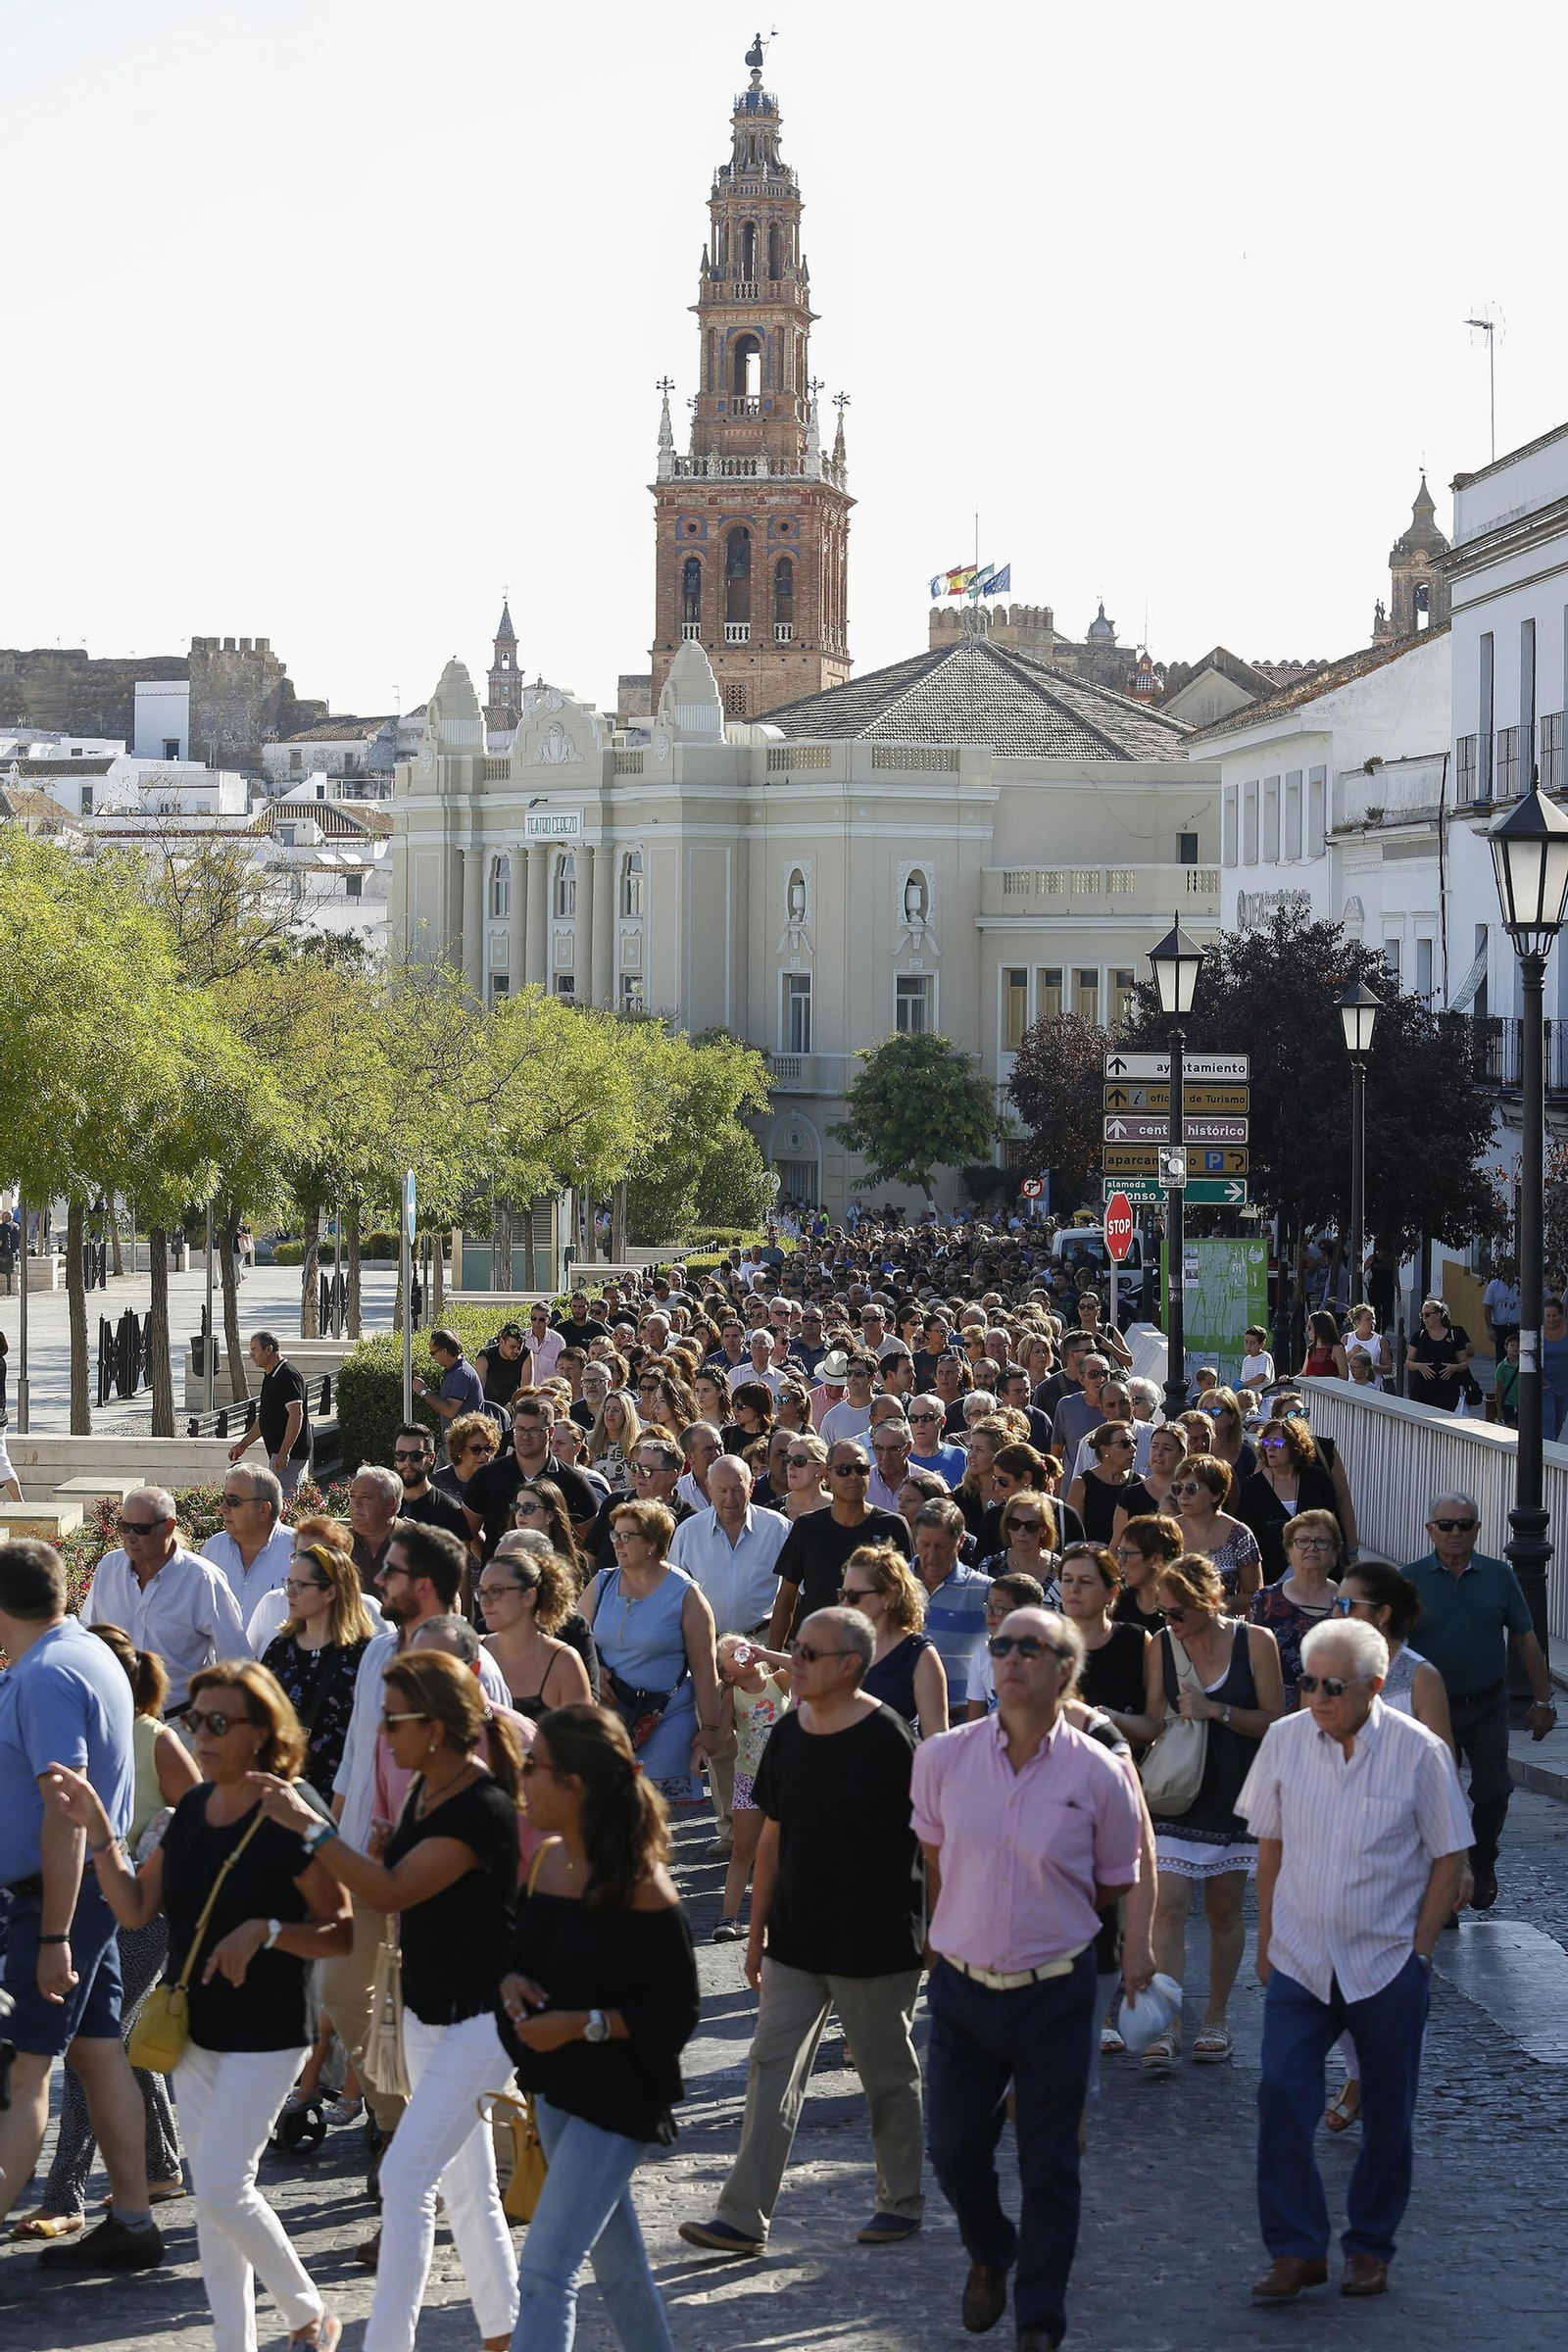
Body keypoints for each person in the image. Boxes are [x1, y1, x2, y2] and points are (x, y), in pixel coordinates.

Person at [47, 1658, 352, 2337]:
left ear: (260, 1731)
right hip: (196, 2028)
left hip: (271, 2030)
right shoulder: (187, 1812)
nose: (202, 1735)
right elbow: (133, 1908)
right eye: (195, 1720)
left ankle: (309, 2314)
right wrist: (100, 1831)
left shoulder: (288, 1806)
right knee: (217, 2210)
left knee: (220, 2187)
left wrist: (269, 1930)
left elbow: (343, 1929)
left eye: (220, 1722)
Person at [251, 1650, 524, 2352]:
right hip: (431, 2014)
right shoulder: (424, 1792)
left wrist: (309, 1828)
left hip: (481, 2024)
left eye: (394, 1721)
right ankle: (506, 2336)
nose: (382, 1736)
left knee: (405, 2179)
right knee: (468, 2192)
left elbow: (390, 1892)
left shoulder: (480, 1803)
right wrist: (375, 1848)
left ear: (434, 1727)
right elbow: (395, 1881)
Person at [913, 1606, 1145, 2351]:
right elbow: (937, 1859)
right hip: (960, 1988)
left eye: (1031, 1648)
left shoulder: (1100, 1771)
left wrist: (1044, 1917)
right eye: (1002, 1646)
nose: (1012, 1659)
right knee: (952, 2154)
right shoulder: (942, 1758)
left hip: (1056, 1992)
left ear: (1063, 1672)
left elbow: (1111, 1882)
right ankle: (989, 2249)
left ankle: (1040, 2325)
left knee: (1050, 2168)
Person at [679, 1605, 926, 2258]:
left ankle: (901, 2201)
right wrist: (754, 1933)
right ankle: (742, 2216)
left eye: (808, 1654)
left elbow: (930, 1839)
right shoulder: (788, 1733)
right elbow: (769, 1840)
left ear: (849, 1666)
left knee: (885, 2073)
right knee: (769, 2068)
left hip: (873, 1942)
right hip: (796, 1936)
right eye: (796, 1649)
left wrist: (935, 1929)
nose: (792, 1661)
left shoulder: (887, 1737)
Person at [1240, 1618, 1473, 2304]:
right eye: (1308, 1682)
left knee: (1389, 2114)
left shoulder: (1419, 1751)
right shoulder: (1284, 1741)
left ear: (1374, 1687)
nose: (1316, 1696)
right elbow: (1270, 1847)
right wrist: (1265, 1942)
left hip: (1385, 1964)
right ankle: (1295, 2249)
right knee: (1281, 2094)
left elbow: (1449, 1851)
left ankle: (1370, 2245)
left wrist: (1419, 1953)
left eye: (1332, 1686)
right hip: (1301, 1959)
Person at [497, 1704, 700, 2349]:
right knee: (618, 2268)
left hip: (617, 2103)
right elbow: (522, 1955)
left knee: (544, 2271)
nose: (521, 1778)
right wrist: (509, 1981)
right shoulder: (546, 1861)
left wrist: (580, 2025)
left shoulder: (643, 1887)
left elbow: (676, 2013)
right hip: (555, 2092)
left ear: (574, 1784)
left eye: (533, 1768)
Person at [0, 1546, 166, 2266]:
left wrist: (54, 1935)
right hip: (84, 1890)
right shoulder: (81, 1650)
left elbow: (65, 1810)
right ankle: (132, 2221)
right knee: (99, 2054)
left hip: (56, 1901)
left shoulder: (45, 1673)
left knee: (23, 2067)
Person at [329, 1523, 514, 2154]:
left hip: (446, 1872)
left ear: (426, 1586)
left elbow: (497, 1767)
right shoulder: (379, 1654)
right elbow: (358, 1760)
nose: (377, 1580)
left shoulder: (473, 1667)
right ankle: (394, 2119)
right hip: (370, 1859)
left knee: (435, 2016)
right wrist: (339, 1840)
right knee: (344, 1991)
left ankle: (466, 2145)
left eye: (392, 1572)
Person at [13, 1623, 200, 2241]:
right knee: (103, 2046)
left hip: (128, 1906)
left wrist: (55, 1933)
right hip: (108, 1897)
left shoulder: (152, 1738)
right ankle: (146, 2186)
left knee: (46, 2060)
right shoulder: (97, 1717)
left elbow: (195, 1818)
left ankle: (69, 2194)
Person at [1323, 1561, 1459, 2133]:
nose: (1337, 1613)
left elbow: (1444, 1765)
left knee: (1392, 1979)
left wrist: (1459, 1859)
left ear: (1380, 1614)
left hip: (1403, 1852)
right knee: (1338, 1973)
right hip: (1337, 1846)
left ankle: (1382, 2087)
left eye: (1348, 1604)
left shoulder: (1419, 1676)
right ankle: (1360, 2072)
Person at [1139, 1551, 1285, 2069]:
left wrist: (1216, 1710)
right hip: (1179, 1793)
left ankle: (1216, 2019)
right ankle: (1168, 2025)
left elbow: (1275, 1720)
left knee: (1224, 1912)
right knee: (1168, 1908)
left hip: (1237, 1793)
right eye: (1164, 1613)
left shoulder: (1256, 1642)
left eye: (1179, 1613)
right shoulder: (1161, 1644)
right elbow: (1155, 1719)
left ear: (1211, 1601)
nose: (1171, 1623)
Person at [1400, 1493, 1556, 1909]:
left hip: (1487, 1702)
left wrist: (1543, 1700)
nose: (1455, 1533)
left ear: (1478, 1529)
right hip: (1433, 1709)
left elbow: (1525, 1637)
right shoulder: (1410, 1579)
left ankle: (1482, 1860)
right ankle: (1444, 1888)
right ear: (1430, 1529)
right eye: (1446, 1525)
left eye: (1465, 1525)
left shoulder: (1499, 1575)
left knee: (1493, 1791)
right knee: (1438, 1798)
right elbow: (1391, 1644)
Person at [581, 1500, 721, 1807]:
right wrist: (594, 1669)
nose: (617, 1543)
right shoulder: (602, 1582)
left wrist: (710, 1729)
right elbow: (576, 1642)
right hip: (609, 1718)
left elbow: (703, 1666)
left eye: (627, 1537)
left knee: (651, 1817)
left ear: (653, 1545)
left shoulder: (685, 1593)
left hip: (665, 1718)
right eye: (615, 1535)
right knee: (606, 1811)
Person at [82, 1489, 249, 1715]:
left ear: (169, 1527)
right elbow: (88, 1638)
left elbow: (238, 1661)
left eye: (141, 1529)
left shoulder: (203, 1580)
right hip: (117, 1719)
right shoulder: (109, 1568)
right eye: (124, 1526)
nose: (130, 1536)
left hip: (180, 1723)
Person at [260, 1534, 375, 1791]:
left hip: (342, 1792)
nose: (289, 1592)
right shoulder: (280, 1649)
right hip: (282, 1787)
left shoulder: (364, 1655)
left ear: (331, 1592)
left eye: (300, 1585)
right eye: (288, 1582)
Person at [765, 1441, 910, 1644]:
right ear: (827, 1474)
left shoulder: (893, 1526)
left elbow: (906, 1597)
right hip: (818, 1649)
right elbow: (787, 1598)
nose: (853, 1476)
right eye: (843, 1470)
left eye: (861, 1469)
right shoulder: (807, 1527)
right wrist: (774, 1656)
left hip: (877, 1650)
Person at [711, 1635, 792, 1942]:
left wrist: (765, 1652)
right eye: (731, 1653)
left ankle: (782, 1915)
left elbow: (802, 1667)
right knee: (744, 1849)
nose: (740, 1650)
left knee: (786, 1848)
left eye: (741, 1645)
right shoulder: (734, 1695)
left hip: (785, 1779)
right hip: (749, 1778)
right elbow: (719, 1733)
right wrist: (700, 1747)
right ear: (729, 1675)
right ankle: (727, 1917)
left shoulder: (779, 1681)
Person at [465, 1396, 602, 1563]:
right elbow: (468, 1532)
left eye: (534, 1430)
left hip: (554, 1581)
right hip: (501, 1581)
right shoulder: (486, 1476)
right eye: (520, 1429)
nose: (525, 1436)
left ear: (550, 1432)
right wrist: (492, 1560)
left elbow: (588, 1542)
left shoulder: (573, 1481)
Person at [477, 1544, 595, 1720]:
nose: (485, 1602)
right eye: (481, 1592)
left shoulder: (565, 1662)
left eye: (496, 1591)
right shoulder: (473, 1651)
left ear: (529, 1596)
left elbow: (581, 1742)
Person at [1056, 1544, 1156, 1747]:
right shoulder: (1047, 1643)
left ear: (1111, 1592)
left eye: (1085, 1581)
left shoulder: (1137, 1640)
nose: (1073, 1588)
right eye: (1067, 1580)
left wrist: (1108, 1718)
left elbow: (1153, 1726)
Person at [844, 1544, 950, 1736]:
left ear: (889, 1596)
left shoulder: (920, 1654)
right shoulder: (839, 1645)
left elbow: (937, 1739)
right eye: (842, 1594)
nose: (844, 1604)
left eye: (853, 1596)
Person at [1235, 1416, 1350, 1585]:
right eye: (1267, 1443)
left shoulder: (1318, 1480)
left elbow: (1331, 1526)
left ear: (1295, 1446)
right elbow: (1248, 1539)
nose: (1271, 1448)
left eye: (1278, 1443)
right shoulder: (1253, 1487)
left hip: (1319, 1580)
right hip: (1271, 1583)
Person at [1248, 1512, 1342, 1705]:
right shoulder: (1264, 1599)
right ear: (1289, 1550)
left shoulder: (1347, 1602)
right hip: (1273, 1710)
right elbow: (1247, 1659)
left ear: (1335, 1552)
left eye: (1321, 1542)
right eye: (1303, 1541)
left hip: (1332, 1708)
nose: (1312, 1548)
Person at [910, 1499, 993, 1704]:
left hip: (961, 1720)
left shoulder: (984, 1589)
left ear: (961, 1541)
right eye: (925, 1545)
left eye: (940, 1546)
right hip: (903, 1719)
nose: (931, 1555)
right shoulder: (893, 1583)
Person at [203, 1466, 295, 1622]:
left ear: (263, 1510)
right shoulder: (212, 1549)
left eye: (233, 1501)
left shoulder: (300, 1551)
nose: (222, 1508)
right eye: (222, 1499)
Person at [1166, 1454, 1263, 1602]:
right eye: (1178, 1488)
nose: (1183, 1495)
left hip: (1221, 1622)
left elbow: (1255, 1596)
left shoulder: (1240, 1535)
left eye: (1192, 1489)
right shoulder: (1166, 1532)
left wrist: (1212, 1605)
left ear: (1216, 1495)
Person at [228, 1330, 312, 1498]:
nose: (251, 1355)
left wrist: (284, 1452)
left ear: (269, 1349)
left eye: (254, 1350)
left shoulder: (288, 1375)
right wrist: (243, 1444)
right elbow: (265, 1417)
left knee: (284, 1501)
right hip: (278, 1452)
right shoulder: (270, 1375)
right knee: (277, 1499)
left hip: (290, 1453)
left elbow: (296, 1415)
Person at [392, 1425, 473, 1542]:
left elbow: (461, 1558)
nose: (407, 1462)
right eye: (400, 1455)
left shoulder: (450, 1511)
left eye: (416, 1456)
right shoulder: (383, 1507)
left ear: (431, 1458)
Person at [1110, 1514, 1184, 1635]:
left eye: (1126, 1554)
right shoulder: (1119, 1600)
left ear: (1155, 1559)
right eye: (1120, 1552)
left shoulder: (1183, 1608)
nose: (1119, 1561)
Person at [1066, 1421, 1139, 1544]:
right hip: (1093, 1559)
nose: (1133, 1449)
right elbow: (1072, 1534)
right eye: (1125, 1444)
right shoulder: (1082, 1484)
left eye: (1134, 1442)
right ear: (1105, 1450)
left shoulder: (1138, 1482)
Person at [1111, 1422, 1186, 1538]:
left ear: (1181, 1454)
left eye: (1167, 1448)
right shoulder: (1131, 1495)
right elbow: (1117, 1542)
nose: (1159, 1453)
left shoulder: (1189, 1493)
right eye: (1154, 1447)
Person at [1404, 1297, 1474, 1415]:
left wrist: (1454, 1368)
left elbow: (1464, 1363)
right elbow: (1408, 1362)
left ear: (1438, 1315)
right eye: (1422, 1315)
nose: (1424, 1319)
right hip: (1422, 1388)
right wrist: (1419, 1366)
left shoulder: (1454, 1335)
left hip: (1447, 1389)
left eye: (1427, 1315)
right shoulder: (1419, 1336)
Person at [413, 1328, 488, 1431]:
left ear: (444, 1351)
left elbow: (450, 1411)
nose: (432, 1358)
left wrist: (424, 1391)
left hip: (465, 1441)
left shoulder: (461, 1374)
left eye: (433, 1353)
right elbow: (442, 1406)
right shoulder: (452, 1371)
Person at [346, 1465, 404, 1588]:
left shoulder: (417, 1544)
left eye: (365, 1497)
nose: (356, 1504)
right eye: (352, 1496)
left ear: (390, 1503)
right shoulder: (339, 1544)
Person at [907, 1394, 967, 1483]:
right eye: (913, 1419)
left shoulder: (960, 1456)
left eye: (927, 1418)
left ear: (942, 1421)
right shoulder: (901, 1458)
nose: (919, 1424)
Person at [476, 1322, 530, 1415]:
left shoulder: (526, 1354)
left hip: (513, 1407)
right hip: (489, 1407)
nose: (516, 1351)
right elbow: (478, 1391)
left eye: (520, 1347)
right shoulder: (485, 1356)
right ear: (502, 1341)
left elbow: (526, 1389)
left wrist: (516, 1405)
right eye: (512, 1347)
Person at [1299, 1310, 1348, 1381]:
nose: (1307, 1330)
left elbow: (1344, 1377)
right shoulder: (1311, 1348)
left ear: (1319, 1329)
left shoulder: (1336, 1348)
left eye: (1309, 1327)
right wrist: (1289, 1379)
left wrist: (1320, 1381)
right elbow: (1303, 1374)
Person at [1240, 1325, 1275, 1391]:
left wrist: (1243, 1384)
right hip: (1250, 1396)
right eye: (1246, 1341)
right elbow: (1243, 1379)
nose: (1248, 1346)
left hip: (1263, 1395)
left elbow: (1260, 1378)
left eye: (1253, 1343)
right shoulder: (1246, 1360)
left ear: (1262, 1345)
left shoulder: (1265, 1357)